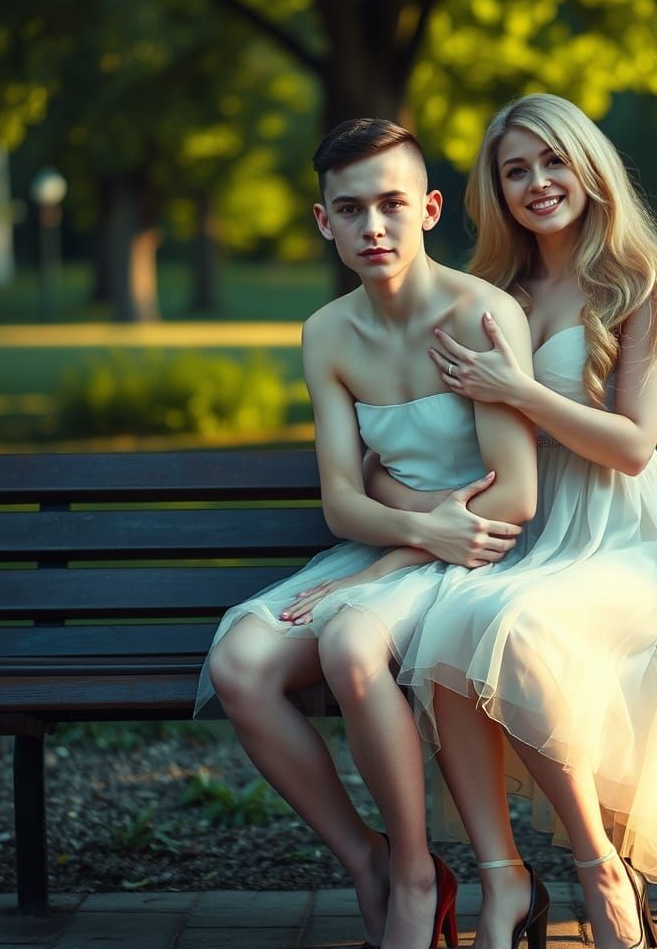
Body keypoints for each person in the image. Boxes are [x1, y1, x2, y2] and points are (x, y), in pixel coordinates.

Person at [368, 94, 657, 949]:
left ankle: (596, 865)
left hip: (627, 537)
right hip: (534, 527)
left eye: (553, 162)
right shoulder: (494, 294)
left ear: (589, 167)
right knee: (453, 624)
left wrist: (519, 391)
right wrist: (388, 477)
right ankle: (505, 879)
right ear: (496, 190)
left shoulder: (639, 281)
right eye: (515, 170)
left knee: (512, 623)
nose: (538, 183)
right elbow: (445, 426)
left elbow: (635, 447)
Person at [194, 118, 539, 949]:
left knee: (351, 646)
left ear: (428, 208)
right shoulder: (328, 333)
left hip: (482, 554)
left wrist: (404, 551)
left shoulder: (482, 314)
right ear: (325, 222)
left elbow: (518, 494)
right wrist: (403, 541)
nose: (372, 227)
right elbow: (341, 501)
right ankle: (369, 861)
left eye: (390, 204)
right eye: (349, 210)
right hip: (401, 539)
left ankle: (420, 874)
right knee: (237, 663)